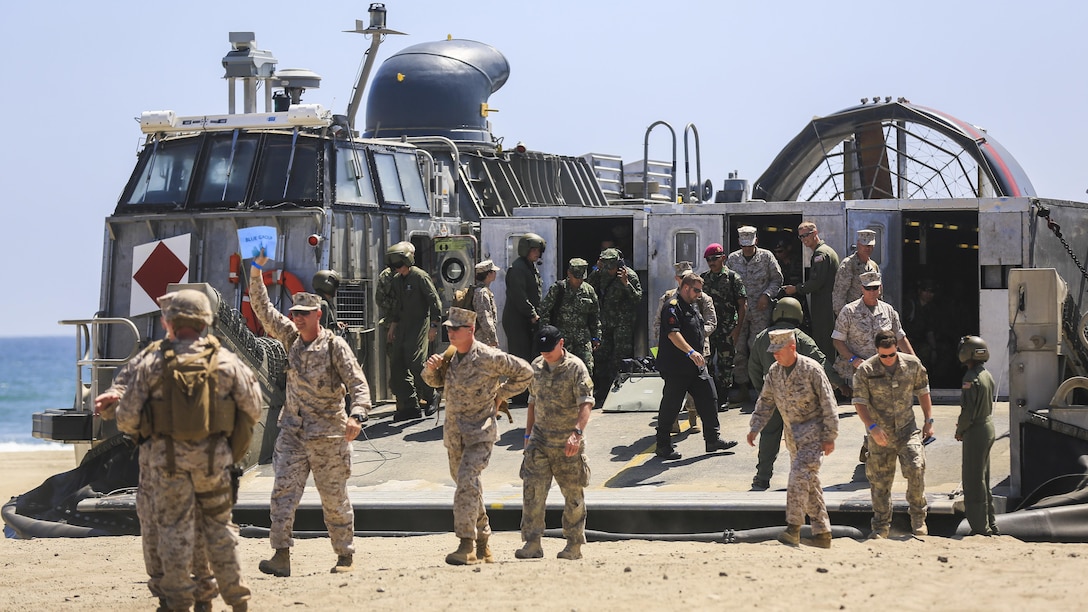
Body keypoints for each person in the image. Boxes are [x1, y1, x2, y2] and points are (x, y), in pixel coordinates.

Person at [114, 289, 260, 612]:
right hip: (214, 462)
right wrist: (230, 450)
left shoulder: (151, 362)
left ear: (171, 321)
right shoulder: (226, 361)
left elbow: (125, 419)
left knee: (173, 531)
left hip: (167, 463)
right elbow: (252, 409)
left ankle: (178, 602)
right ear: (205, 320)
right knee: (221, 530)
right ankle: (238, 601)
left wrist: (145, 435)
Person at [94, 292, 220, 612]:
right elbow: (124, 384)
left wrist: (115, 407)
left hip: (175, 463)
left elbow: (124, 408)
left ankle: (183, 595)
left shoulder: (183, 358)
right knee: (175, 524)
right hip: (181, 463)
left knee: (174, 526)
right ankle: (185, 594)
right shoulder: (164, 354)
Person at [249, 252, 372, 577]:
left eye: (304, 313)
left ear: (318, 314)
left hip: (329, 436)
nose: (297, 318)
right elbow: (263, 310)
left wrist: (357, 415)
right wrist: (256, 271)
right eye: (295, 313)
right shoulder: (291, 340)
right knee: (282, 495)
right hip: (293, 433)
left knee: (334, 498)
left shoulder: (334, 346)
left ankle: (345, 557)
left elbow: (358, 383)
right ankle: (281, 555)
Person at [422, 307, 533, 566]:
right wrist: (430, 369)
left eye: (455, 329)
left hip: (479, 433)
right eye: (448, 328)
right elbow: (434, 383)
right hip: (454, 434)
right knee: (468, 487)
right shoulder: (450, 356)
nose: (450, 332)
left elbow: (525, 372)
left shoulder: (488, 356)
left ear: (470, 330)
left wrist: (501, 395)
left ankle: (466, 545)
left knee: (466, 482)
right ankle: (483, 542)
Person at [746, 329, 839, 548]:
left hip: (814, 437)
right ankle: (822, 533)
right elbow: (766, 401)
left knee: (797, 478)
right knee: (810, 484)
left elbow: (829, 404)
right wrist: (755, 427)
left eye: (779, 350)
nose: (775, 355)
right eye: (773, 351)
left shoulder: (812, 370)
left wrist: (830, 436)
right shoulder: (774, 372)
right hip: (793, 439)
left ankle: (793, 529)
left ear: (792, 347)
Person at [516, 325, 593, 561]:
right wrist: (528, 437)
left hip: (567, 443)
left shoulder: (576, 368)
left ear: (561, 343)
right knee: (532, 492)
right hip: (540, 441)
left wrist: (577, 433)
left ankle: (573, 544)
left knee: (573, 495)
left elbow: (586, 403)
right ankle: (532, 543)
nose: (545, 355)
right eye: (542, 351)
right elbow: (532, 403)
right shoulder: (536, 367)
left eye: (549, 350)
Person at [852, 330, 934, 538]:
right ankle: (881, 526)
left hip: (907, 430)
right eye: (883, 356)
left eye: (891, 354)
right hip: (880, 435)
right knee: (880, 482)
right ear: (877, 352)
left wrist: (928, 420)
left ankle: (918, 519)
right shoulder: (866, 370)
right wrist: (872, 427)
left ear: (897, 349)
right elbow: (859, 403)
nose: (888, 359)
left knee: (916, 467)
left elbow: (923, 391)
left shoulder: (913, 365)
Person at [832, 271, 917, 462]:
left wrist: (914, 360)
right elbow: (838, 340)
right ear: (862, 289)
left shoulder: (888, 311)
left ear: (880, 288)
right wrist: (853, 359)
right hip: (863, 371)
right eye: (868, 288)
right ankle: (874, 445)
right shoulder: (849, 311)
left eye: (875, 288)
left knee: (888, 410)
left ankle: (871, 444)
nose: (872, 292)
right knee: (870, 410)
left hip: (888, 368)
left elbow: (900, 337)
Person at [746, 297, 828, 491]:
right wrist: (841, 385)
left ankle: (762, 477)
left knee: (769, 435)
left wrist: (763, 391)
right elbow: (821, 362)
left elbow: (753, 368)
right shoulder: (799, 337)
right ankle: (803, 479)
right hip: (799, 402)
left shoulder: (762, 337)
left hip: (773, 397)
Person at [654, 273, 738, 460]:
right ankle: (663, 445)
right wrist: (691, 352)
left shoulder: (691, 306)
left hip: (695, 366)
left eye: (701, 290)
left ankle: (712, 439)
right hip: (677, 366)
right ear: (685, 288)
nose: (699, 294)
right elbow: (673, 334)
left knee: (709, 397)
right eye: (696, 290)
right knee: (672, 404)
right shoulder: (672, 307)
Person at [653, 262, 717, 433]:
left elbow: (711, 322)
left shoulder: (702, 298)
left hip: (698, 351)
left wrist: (696, 335)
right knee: (672, 393)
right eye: (682, 278)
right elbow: (659, 324)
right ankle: (670, 426)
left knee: (703, 394)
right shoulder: (669, 300)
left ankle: (694, 419)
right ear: (678, 280)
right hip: (676, 355)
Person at [385, 241, 443, 421]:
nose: (398, 269)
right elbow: (398, 306)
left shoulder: (420, 277)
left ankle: (431, 393)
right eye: (395, 266)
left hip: (420, 324)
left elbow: (435, 302)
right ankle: (409, 406)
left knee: (415, 361)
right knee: (397, 364)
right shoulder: (396, 280)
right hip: (403, 325)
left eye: (400, 265)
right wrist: (393, 325)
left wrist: (434, 325)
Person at [726, 226, 783, 403]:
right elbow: (727, 281)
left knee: (760, 347)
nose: (747, 249)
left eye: (750, 245)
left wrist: (766, 295)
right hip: (740, 311)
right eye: (744, 246)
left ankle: (762, 388)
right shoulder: (733, 259)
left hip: (760, 311)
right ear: (739, 243)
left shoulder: (766, 257)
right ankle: (742, 387)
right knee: (739, 348)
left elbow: (777, 279)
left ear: (756, 241)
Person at [588, 247, 643, 408]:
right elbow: (589, 288)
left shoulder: (629, 275)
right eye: (607, 267)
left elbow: (637, 298)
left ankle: (620, 392)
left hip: (623, 324)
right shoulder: (601, 274)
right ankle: (603, 390)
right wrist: (597, 270)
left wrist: (626, 284)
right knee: (601, 356)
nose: (610, 271)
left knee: (620, 358)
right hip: (606, 322)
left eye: (612, 267)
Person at [956, 335, 999, 536]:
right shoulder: (986, 374)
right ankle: (991, 523)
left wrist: (960, 430)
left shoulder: (970, 377)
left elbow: (968, 411)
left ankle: (979, 527)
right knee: (984, 478)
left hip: (976, 430)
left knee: (973, 480)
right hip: (988, 426)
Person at [784, 221, 840, 360]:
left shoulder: (820, 254)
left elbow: (817, 282)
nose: (803, 240)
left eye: (806, 235)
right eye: (801, 237)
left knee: (823, 342)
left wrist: (796, 289)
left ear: (815, 233)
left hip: (824, 304)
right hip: (827, 302)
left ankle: (827, 375)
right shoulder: (825, 251)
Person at [700, 242, 747, 409]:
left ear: (723, 258)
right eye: (708, 260)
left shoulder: (733, 278)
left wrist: (737, 329)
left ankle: (722, 398)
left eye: (714, 258)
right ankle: (710, 396)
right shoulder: (703, 279)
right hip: (709, 329)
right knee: (707, 363)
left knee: (726, 363)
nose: (711, 262)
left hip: (728, 328)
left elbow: (742, 305)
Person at [503, 233, 546, 403]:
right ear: (526, 250)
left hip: (525, 319)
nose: (537, 253)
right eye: (534, 250)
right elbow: (519, 296)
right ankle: (519, 395)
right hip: (517, 320)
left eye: (538, 250)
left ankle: (526, 391)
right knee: (520, 357)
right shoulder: (518, 268)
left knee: (528, 356)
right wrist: (532, 314)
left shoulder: (528, 266)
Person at [540, 258, 601, 375]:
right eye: (576, 277)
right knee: (561, 371)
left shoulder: (589, 291)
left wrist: (596, 336)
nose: (579, 280)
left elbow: (595, 315)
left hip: (583, 339)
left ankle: (584, 393)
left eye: (581, 278)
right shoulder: (558, 289)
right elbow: (545, 310)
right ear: (569, 273)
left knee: (586, 369)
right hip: (562, 339)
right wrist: (547, 334)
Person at [832, 229, 880, 316]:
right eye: (864, 245)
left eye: (870, 245)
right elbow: (839, 295)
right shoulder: (848, 265)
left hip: (871, 316)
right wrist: (844, 319)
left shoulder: (873, 266)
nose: (867, 248)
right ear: (858, 244)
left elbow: (879, 295)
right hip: (854, 316)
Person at [471, 259, 501, 347]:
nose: (495, 273)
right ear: (488, 274)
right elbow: (484, 318)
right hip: (483, 338)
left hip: (483, 337)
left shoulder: (483, 291)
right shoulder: (482, 293)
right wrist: (493, 338)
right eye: (493, 271)